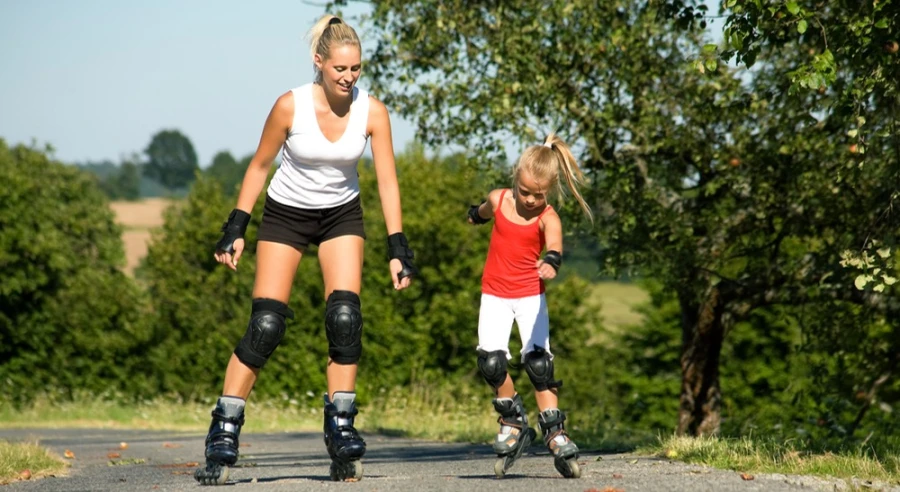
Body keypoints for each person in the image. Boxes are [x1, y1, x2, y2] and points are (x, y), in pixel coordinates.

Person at [194, 14, 417, 486]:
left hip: (342, 215)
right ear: (319, 62)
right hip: (285, 215)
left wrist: (398, 246)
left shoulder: (372, 112)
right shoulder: (288, 106)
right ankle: (225, 424)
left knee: (344, 317)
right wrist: (236, 226)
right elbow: (258, 167)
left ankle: (341, 424)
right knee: (267, 324)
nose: (349, 77)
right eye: (340, 68)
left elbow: (388, 182)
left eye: (356, 68)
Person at [467, 133, 592, 479]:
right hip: (494, 294)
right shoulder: (499, 199)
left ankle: (554, 431)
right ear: (515, 178)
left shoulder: (547, 217)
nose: (532, 199)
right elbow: (482, 210)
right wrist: (475, 216)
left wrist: (552, 260)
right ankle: (513, 419)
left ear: (549, 191)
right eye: (526, 192)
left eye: (540, 194)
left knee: (539, 363)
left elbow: (553, 243)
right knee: (491, 362)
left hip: (529, 297)